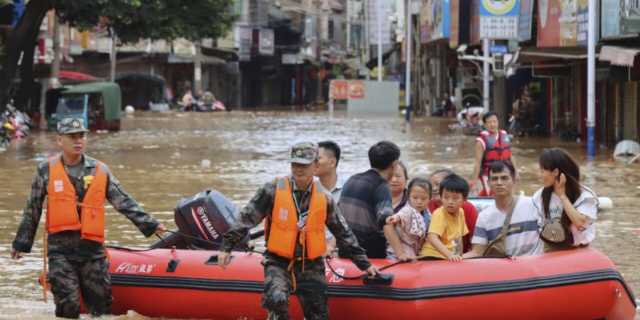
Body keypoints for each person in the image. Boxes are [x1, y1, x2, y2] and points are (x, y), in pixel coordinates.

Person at [10, 117, 166, 319]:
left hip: (92, 250)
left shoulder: (100, 169)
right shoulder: (45, 170)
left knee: (100, 308)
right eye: (72, 137)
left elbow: (123, 201)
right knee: (69, 306)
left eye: (81, 136)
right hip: (61, 251)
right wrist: (21, 243)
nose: (78, 141)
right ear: (59, 140)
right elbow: (33, 208)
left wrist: (150, 224)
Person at [218, 142, 378, 320]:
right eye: (295, 164)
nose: (298, 169)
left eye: (304, 165)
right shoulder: (272, 190)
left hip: (311, 264)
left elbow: (343, 232)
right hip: (278, 262)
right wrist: (227, 246)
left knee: (318, 314)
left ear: (316, 166)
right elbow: (247, 217)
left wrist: (365, 264)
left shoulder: (325, 198)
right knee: (276, 299)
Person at [338, 141, 407, 260]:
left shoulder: (352, 179)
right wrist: (401, 254)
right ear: (394, 164)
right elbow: (386, 222)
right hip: (370, 256)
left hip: (344, 251)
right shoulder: (381, 186)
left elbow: (338, 217)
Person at [463, 161, 543, 258]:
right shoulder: (484, 217)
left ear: (514, 180)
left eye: (504, 178)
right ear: (488, 183)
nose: (499, 183)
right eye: (495, 179)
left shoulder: (533, 204)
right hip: (506, 269)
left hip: (536, 265)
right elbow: (477, 252)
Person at [532, 148, 598, 252]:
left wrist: (562, 197)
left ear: (555, 172)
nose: (539, 175)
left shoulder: (585, 195)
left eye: (542, 171)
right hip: (550, 248)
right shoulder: (539, 195)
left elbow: (580, 223)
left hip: (578, 250)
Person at [420, 174, 469, 261]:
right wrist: (450, 255)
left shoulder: (461, 212)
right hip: (431, 256)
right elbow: (432, 237)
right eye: (446, 197)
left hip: (447, 256)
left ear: (464, 199)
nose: (450, 202)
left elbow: (459, 238)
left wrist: (459, 256)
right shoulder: (439, 214)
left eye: (455, 198)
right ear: (441, 197)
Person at [428, 169, 478, 253]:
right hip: (435, 255)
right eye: (431, 185)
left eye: (437, 184)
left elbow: (474, 238)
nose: (434, 189)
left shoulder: (467, 208)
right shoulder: (426, 205)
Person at [469, 111, 517, 196]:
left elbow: (510, 155)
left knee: (508, 193)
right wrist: (474, 182)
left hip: (504, 171)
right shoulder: (481, 141)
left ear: (498, 122)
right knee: (493, 194)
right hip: (488, 173)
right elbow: (477, 162)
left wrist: (516, 172)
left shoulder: (504, 135)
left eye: (494, 121)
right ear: (485, 124)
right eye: (489, 122)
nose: (492, 124)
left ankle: (481, 197)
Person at [387, 178, 432, 259]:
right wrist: (395, 218)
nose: (419, 201)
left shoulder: (428, 214)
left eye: (423, 198)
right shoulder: (408, 210)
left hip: (416, 249)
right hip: (402, 247)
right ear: (408, 196)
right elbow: (402, 215)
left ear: (430, 198)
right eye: (415, 198)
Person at [315, 140, 343, 255]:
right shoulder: (308, 189)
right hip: (314, 248)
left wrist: (331, 246)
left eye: (318, 158)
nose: (313, 162)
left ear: (332, 162)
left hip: (339, 250)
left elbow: (345, 223)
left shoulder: (348, 189)